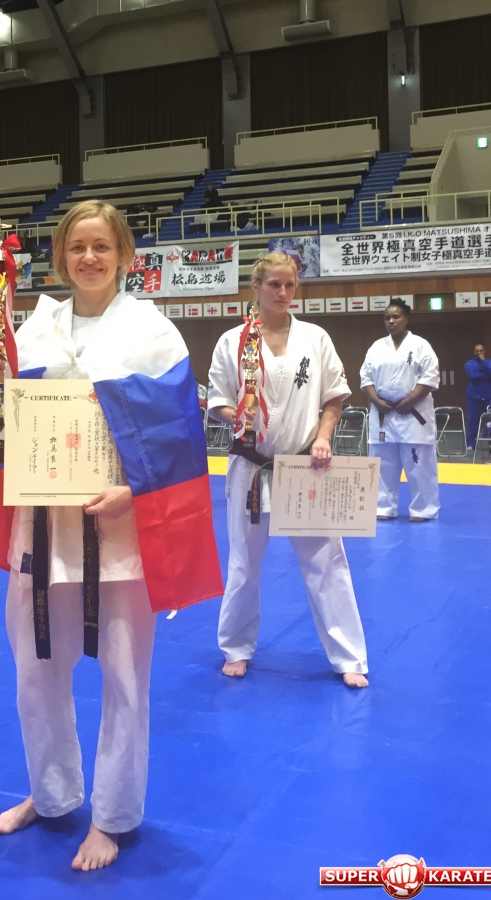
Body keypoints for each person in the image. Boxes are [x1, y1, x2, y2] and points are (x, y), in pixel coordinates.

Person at [0, 200, 222, 872]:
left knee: (125, 679)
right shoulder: (34, 330)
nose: (90, 258)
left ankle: (113, 816)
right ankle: (51, 794)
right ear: (60, 257)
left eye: (102, 246)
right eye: (77, 247)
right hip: (41, 527)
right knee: (35, 672)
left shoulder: (153, 333)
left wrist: (136, 490)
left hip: (118, 532)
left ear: (124, 255)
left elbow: (181, 437)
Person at [207, 252, 369, 688]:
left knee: (327, 561)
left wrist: (323, 437)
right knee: (244, 563)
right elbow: (217, 400)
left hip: (304, 464)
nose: (283, 293)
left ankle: (349, 656)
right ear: (256, 287)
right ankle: (235, 647)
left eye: (290, 285)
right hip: (251, 465)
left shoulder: (315, 338)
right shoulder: (234, 341)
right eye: (274, 284)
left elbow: (334, 397)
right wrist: (237, 417)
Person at [360, 298, 440, 521]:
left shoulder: (421, 346)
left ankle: (424, 509)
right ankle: (383, 508)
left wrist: (410, 401)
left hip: (413, 414)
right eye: (387, 318)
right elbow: (365, 378)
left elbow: (430, 377)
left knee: (419, 465)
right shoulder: (376, 347)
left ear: (406, 319)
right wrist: (376, 401)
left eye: (396, 317)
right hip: (383, 413)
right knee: (383, 464)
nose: (391, 321)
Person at [465, 344, 491, 449]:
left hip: (489, 395)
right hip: (474, 396)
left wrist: (484, 362)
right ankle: (471, 444)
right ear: (474, 352)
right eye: (477, 351)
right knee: (472, 420)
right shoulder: (469, 364)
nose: (479, 353)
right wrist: (486, 375)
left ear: (484, 351)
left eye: (481, 351)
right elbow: (473, 376)